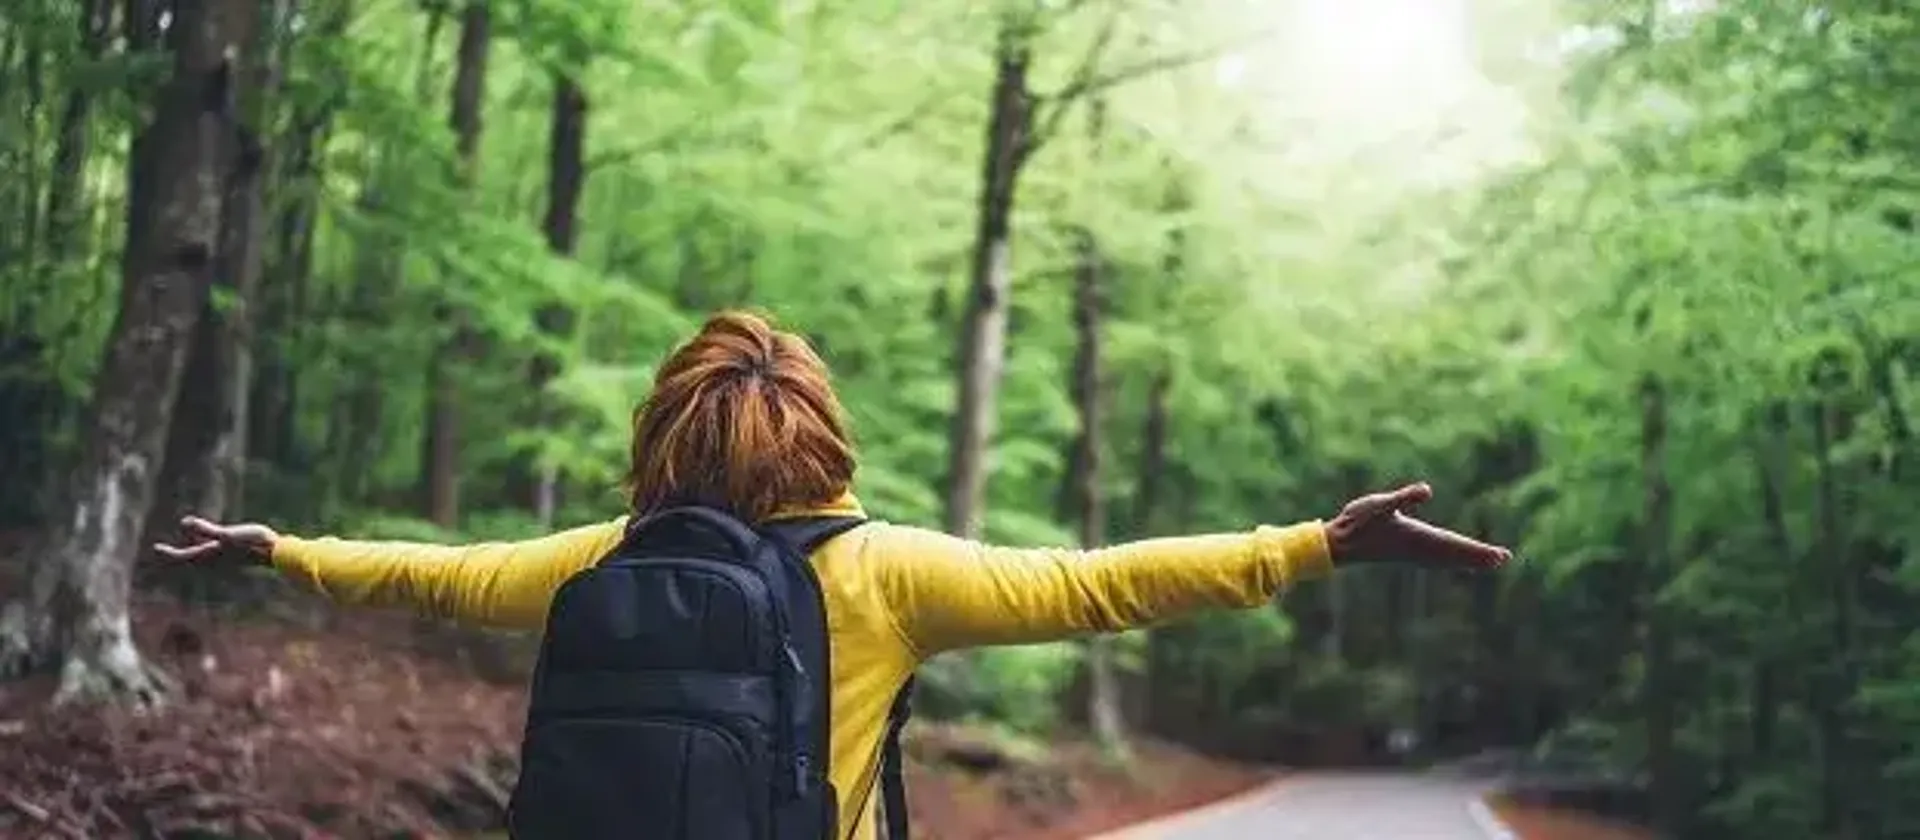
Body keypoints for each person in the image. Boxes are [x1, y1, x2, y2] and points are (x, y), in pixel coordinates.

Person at [155, 310, 1512, 839]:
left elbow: (436, 576)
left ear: (666, 434)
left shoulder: (599, 562)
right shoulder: (888, 574)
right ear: (821, 430)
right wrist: (1316, 546)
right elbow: (1105, 585)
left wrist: (280, 550)